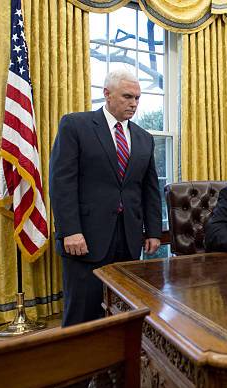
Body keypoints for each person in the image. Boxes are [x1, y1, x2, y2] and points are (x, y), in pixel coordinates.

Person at [49, 69, 162, 327]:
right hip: (85, 238)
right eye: (127, 96)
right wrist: (70, 231)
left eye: (137, 98)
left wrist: (153, 231)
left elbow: (149, 188)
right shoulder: (75, 125)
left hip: (129, 238)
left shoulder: (144, 138)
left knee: (124, 309)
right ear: (107, 95)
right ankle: (81, 365)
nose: (134, 103)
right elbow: (61, 182)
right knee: (83, 312)